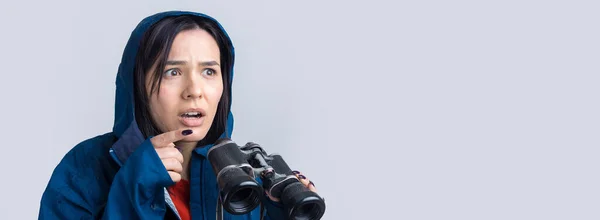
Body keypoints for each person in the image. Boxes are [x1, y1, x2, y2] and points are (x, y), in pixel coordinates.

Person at [38, 10, 320, 219]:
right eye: (172, 72)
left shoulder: (245, 180)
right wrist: (133, 187)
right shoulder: (84, 169)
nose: (194, 90)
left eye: (209, 71)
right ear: (138, 84)